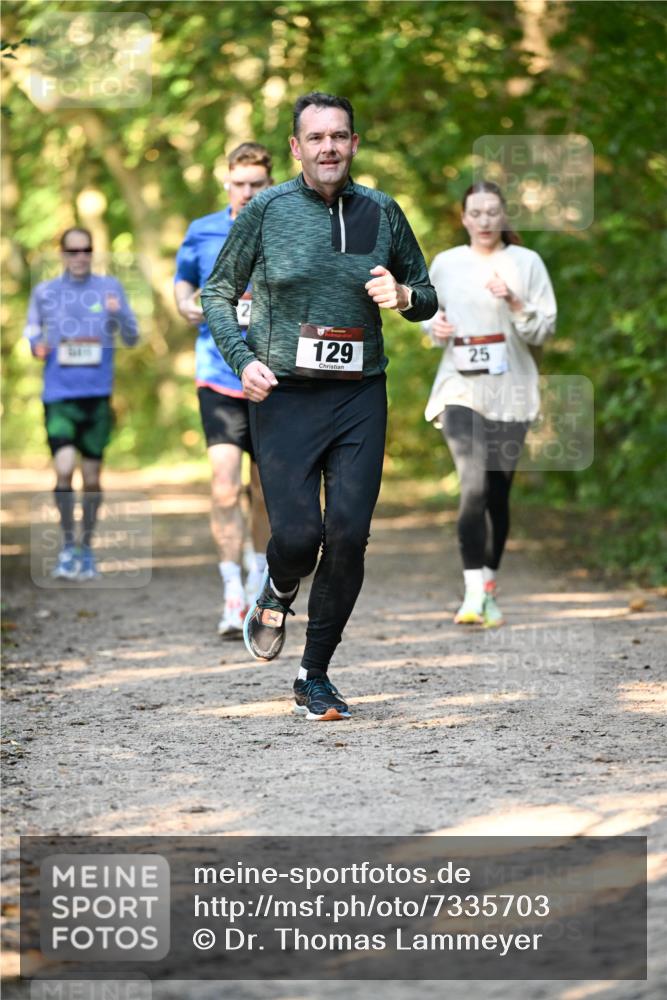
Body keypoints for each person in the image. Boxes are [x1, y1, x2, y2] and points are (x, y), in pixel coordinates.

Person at [201, 92, 437, 721]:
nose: (329, 147)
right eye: (317, 138)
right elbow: (218, 292)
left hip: (360, 392)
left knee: (350, 535)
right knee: (299, 536)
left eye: (340, 136)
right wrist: (241, 359)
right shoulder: (268, 209)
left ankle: (315, 673)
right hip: (285, 394)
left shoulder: (382, 211)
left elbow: (429, 297)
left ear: (354, 143)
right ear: (296, 147)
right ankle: (277, 587)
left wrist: (404, 293)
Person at [423, 181, 557, 626]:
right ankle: (472, 593)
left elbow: (544, 330)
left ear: (503, 217)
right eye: (475, 213)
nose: (483, 221)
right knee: (473, 484)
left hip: (512, 392)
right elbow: (429, 318)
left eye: (491, 213)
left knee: (497, 495)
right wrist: (434, 329)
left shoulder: (526, 263)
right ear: (463, 218)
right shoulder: (445, 264)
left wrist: (515, 300)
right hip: (459, 390)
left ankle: (490, 585)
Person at [174, 143, 273, 638]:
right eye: (240, 184)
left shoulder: (284, 225)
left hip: (274, 377)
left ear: (270, 184)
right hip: (217, 373)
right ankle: (232, 590)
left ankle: (260, 579)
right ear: (227, 183)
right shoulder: (202, 231)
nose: (248, 192)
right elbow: (182, 283)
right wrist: (186, 306)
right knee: (223, 485)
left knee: (264, 491)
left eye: (258, 184)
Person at [24, 226, 139, 580]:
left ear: (93, 252)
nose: (79, 257)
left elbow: (132, 337)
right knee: (63, 468)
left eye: (86, 250)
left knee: (90, 479)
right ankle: (66, 545)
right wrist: (36, 344)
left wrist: (117, 313)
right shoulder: (45, 292)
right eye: (72, 251)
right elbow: (31, 330)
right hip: (59, 395)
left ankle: (85, 548)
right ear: (62, 255)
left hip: (96, 395)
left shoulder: (110, 289)